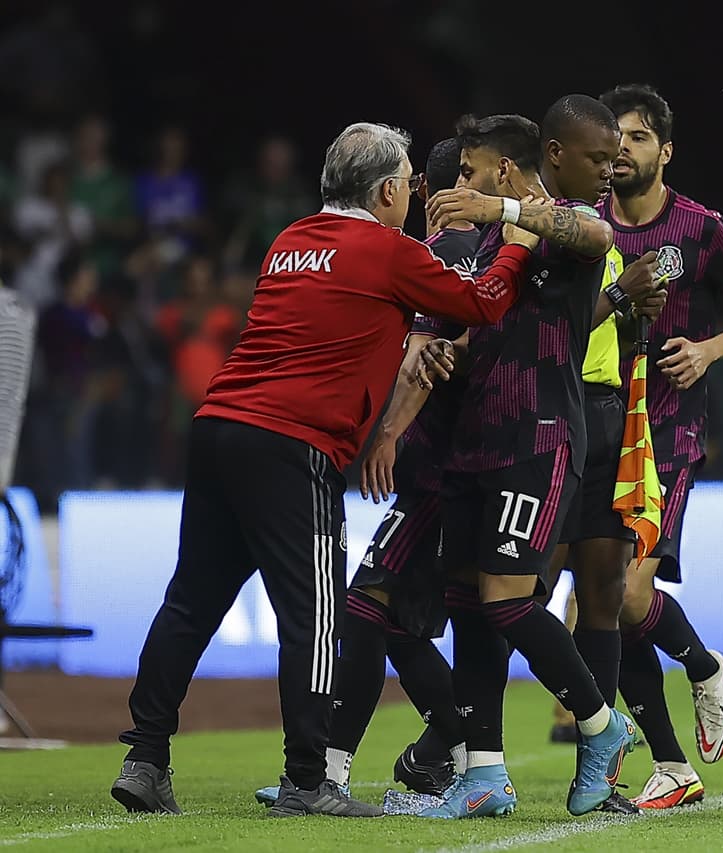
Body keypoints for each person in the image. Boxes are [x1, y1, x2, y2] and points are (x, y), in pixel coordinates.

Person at [110, 122, 536, 818]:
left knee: (190, 601)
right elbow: (480, 304)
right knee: (313, 619)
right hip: (291, 444)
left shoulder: (288, 240)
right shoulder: (388, 250)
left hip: (219, 425)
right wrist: (516, 247)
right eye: (407, 180)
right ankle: (309, 779)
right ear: (392, 189)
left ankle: (145, 757)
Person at [414, 99, 647, 819]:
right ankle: (483, 769)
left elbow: (596, 228)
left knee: (509, 598)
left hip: (537, 437)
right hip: (473, 441)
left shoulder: (568, 227)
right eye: (597, 158)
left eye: (613, 159)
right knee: (465, 604)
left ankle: (603, 725)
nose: (609, 171)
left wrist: (497, 206)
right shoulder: (489, 239)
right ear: (554, 150)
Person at [252, 136, 481, 811]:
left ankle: (342, 767)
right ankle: (459, 751)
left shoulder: (439, 255)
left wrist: (389, 431)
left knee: (363, 606)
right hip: (479, 464)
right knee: (402, 624)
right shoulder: (491, 256)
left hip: (439, 471)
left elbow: (423, 351)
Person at [600, 84, 723, 808]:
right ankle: (671, 764)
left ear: (665, 151)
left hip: (666, 434)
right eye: (614, 138)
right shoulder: (585, 226)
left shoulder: (702, 229)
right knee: (605, 605)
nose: (622, 150)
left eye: (638, 138)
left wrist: (707, 351)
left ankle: (703, 666)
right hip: (592, 432)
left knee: (628, 592)